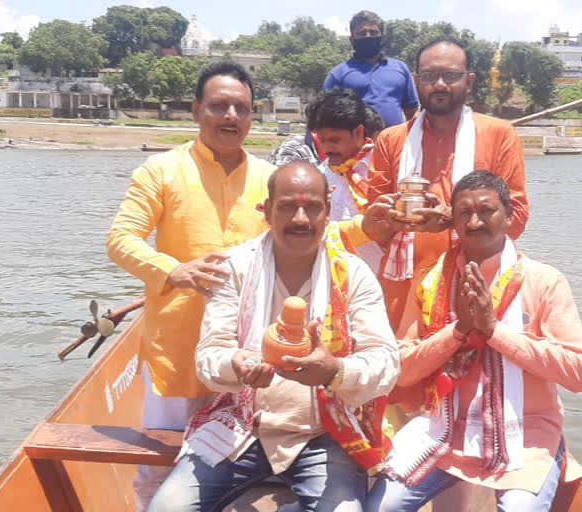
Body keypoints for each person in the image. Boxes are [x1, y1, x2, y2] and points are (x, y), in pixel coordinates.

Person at [148, 162, 400, 512]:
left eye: (312, 207)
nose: (300, 218)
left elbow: (385, 362)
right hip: (243, 425)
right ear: (266, 211)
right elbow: (209, 355)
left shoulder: (354, 275)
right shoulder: (235, 268)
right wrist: (237, 365)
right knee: (166, 509)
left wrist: (334, 371)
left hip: (325, 432)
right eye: (287, 206)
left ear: (328, 212)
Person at [365, 171, 582, 512]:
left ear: (509, 215)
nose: (475, 222)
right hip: (445, 431)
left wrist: (494, 331)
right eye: (463, 213)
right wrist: (458, 331)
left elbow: (580, 373)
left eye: (486, 210)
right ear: (453, 222)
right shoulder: (432, 280)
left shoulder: (543, 281)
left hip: (526, 434)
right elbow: (402, 372)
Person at [106, 62, 275, 510]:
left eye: (241, 107)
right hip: (176, 350)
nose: (230, 116)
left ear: (253, 115)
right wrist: (172, 270)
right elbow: (120, 239)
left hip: (247, 355)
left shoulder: (269, 179)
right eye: (219, 106)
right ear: (196, 109)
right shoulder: (160, 170)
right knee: (160, 465)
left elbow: (312, 235)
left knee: (241, 463)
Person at [363, 36, 529, 332]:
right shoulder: (391, 140)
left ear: (469, 81)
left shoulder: (499, 135)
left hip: (476, 286)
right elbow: (372, 227)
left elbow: (515, 218)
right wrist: (390, 218)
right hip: (402, 286)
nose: (440, 84)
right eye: (429, 76)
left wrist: (452, 219)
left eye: (451, 75)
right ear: (415, 81)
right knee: (404, 373)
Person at [308, 88, 384, 271]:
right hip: (330, 275)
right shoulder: (320, 176)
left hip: (377, 278)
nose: (326, 148)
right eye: (322, 140)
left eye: (334, 140)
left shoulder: (382, 170)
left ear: (358, 133)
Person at [324, 10, 419, 128]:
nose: (368, 36)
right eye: (362, 33)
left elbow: (412, 111)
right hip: (354, 145)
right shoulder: (338, 74)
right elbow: (323, 115)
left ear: (382, 37)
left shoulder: (400, 69)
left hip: (394, 144)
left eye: (373, 32)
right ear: (352, 40)